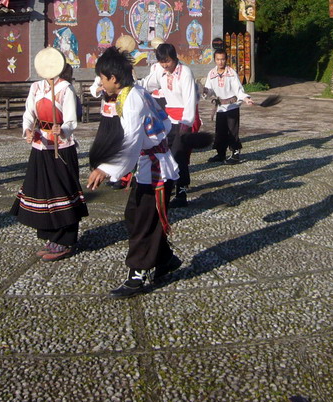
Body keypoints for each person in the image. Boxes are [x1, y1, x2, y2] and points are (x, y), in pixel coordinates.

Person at [87, 46, 181, 298]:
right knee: (135, 214)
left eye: (102, 78)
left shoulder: (132, 99)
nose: (101, 83)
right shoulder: (132, 92)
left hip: (157, 170)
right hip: (150, 165)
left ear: (114, 79)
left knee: (141, 221)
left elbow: (130, 140)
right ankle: (165, 259)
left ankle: (137, 274)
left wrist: (106, 169)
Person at [11, 50, 87, 261]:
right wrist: (27, 129)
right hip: (41, 146)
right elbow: (29, 113)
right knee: (44, 192)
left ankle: (66, 240)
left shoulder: (65, 89)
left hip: (61, 147)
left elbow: (71, 120)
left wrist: (62, 130)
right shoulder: (36, 87)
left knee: (62, 190)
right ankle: (51, 235)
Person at [138, 42, 199, 206]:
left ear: (175, 58)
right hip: (168, 121)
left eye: (168, 61)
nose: (165, 65)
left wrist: (186, 124)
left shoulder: (185, 72)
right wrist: (131, 86)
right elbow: (147, 84)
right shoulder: (161, 71)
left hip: (183, 121)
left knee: (180, 156)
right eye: (162, 61)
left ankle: (182, 191)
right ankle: (167, 185)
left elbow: (190, 100)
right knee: (165, 155)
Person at [202, 47, 253, 164]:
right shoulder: (212, 73)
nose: (220, 62)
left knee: (232, 130)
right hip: (220, 108)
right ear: (214, 60)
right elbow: (210, 91)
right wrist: (205, 90)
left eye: (223, 59)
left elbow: (238, 89)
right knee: (220, 131)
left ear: (226, 60)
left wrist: (245, 98)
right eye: (218, 59)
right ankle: (221, 154)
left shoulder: (231, 73)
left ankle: (235, 154)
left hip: (232, 106)